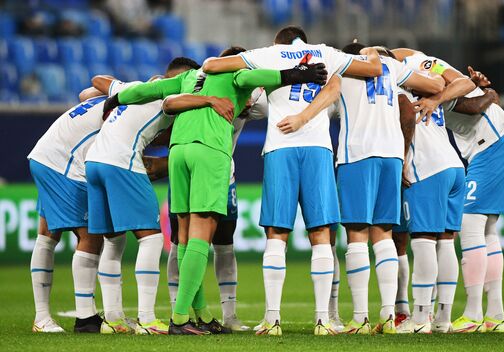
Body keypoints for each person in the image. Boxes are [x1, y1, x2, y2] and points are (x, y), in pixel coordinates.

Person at [105, 54, 328, 335]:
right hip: (210, 150)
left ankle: (201, 315)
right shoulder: (236, 74)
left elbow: (149, 90)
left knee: (184, 237)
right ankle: (180, 318)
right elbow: (260, 78)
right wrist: (298, 74)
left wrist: (116, 99)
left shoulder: (188, 77)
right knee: (201, 232)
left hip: (178, 151)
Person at [202, 25, 384, 336]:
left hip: (280, 148)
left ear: (279, 41)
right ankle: (323, 321)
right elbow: (374, 69)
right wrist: (370, 51)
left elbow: (210, 66)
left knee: (276, 235)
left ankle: (272, 320)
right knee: (321, 234)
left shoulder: (269, 54)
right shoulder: (326, 52)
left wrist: (257, 74)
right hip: (317, 148)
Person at [332, 44, 444, 335]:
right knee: (383, 236)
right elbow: (434, 84)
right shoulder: (393, 67)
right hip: (392, 156)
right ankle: (387, 316)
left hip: (358, 153)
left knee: (357, 235)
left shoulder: (344, 66)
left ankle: (360, 318)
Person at [84, 57, 201, 335]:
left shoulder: (136, 88)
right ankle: (147, 319)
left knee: (113, 241)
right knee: (151, 238)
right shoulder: (173, 97)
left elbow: (97, 82)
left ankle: (113, 320)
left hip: (94, 162)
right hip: (122, 161)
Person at [391, 48, 476, 333]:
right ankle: (443, 318)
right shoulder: (428, 75)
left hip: (426, 167)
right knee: (446, 241)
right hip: (454, 166)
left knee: (424, 240)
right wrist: (438, 97)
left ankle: (419, 318)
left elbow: (406, 122)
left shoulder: (396, 78)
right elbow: (465, 82)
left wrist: (402, 160)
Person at [443, 70, 504, 333]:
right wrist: (484, 90)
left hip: (491, 146)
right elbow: (492, 97)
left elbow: (476, 106)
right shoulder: (449, 81)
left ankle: (473, 314)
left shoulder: (434, 87)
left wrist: (482, 91)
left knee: (469, 224)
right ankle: (495, 315)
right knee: (488, 230)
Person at [27, 88, 107, 333]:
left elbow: (85, 94)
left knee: (47, 235)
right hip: (65, 163)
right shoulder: (136, 104)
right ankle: (85, 319)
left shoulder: (118, 92)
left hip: (46, 154)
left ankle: (42, 318)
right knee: (91, 235)